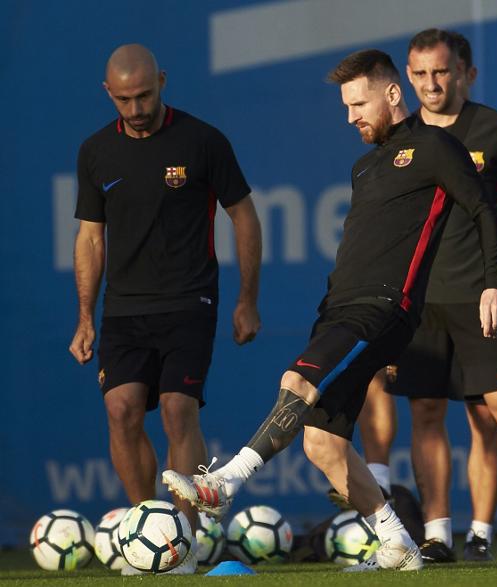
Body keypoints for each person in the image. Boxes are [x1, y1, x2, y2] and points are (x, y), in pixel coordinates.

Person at [163, 48, 497, 573]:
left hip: (384, 306)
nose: (351, 117)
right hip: (343, 310)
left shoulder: (436, 146)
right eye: (345, 107)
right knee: (323, 445)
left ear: (392, 95)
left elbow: (483, 209)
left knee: (296, 380)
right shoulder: (364, 165)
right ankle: (397, 543)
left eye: (358, 104)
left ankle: (225, 480)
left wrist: (493, 284)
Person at [358, 29, 497, 565]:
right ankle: (437, 535)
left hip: (486, 294)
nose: (431, 84)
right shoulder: (398, 138)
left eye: (441, 72)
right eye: (419, 74)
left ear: (464, 73)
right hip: (417, 301)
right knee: (427, 413)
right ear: (405, 79)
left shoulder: (496, 128)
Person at [68, 44, 262, 576]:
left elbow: (244, 216)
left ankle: (188, 541)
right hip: (125, 309)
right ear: (109, 93)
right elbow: (90, 239)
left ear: (163, 81)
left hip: (189, 300)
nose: (135, 109)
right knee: (121, 410)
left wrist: (247, 298)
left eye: (145, 95)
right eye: (124, 100)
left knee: (179, 411)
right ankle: (145, 533)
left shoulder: (202, 141)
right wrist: (85, 316)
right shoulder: (94, 153)